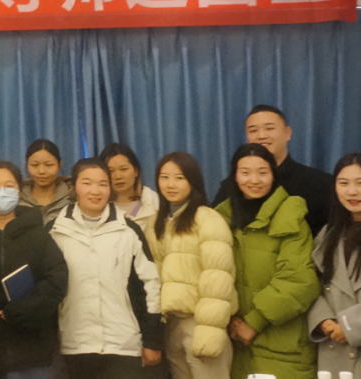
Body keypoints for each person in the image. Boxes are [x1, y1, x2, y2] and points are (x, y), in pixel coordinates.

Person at [48, 158, 163, 377]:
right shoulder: (55, 231)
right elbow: (46, 289)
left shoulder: (129, 230)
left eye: (103, 184)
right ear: (74, 187)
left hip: (124, 344)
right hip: (73, 345)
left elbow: (150, 286)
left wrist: (152, 339)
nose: (95, 190)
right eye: (87, 183)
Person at [214, 143, 319, 379]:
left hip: (282, 348)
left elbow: (299, 280)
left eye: (263, 172)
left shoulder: (290, 215)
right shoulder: (220, 218)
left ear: (273, 175)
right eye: (245, 172)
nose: (254, 180)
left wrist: (254, 322)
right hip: (234, 346)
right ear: (235, 176)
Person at [0, 160, 68, 379]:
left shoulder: (38, 235)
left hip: (32, 352)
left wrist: (20, 312)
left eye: (8, 185)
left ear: (19, 192)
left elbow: (56, 280)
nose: (1, 192)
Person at [146, 152, 237, 379]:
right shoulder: (155, 223)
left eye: (179, 178)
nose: (171, 184)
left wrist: (209, 335)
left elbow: (218, 281)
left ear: (193, 181)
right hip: (171, 325)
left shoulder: (208, 219)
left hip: (200, 324)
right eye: (164, 177)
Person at [212, 105, 333, 235]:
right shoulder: (232, 185)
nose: (261, 135)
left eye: (269, 128)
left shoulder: (320, 183)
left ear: (288, 133)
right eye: (253, 130)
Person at [308, 153, 361, 377]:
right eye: (343, 183)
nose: (352, 191)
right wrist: (324, 320)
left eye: (360, 183)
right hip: (334, 351)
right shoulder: (327, 234)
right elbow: (312, 284)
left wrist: (349, 327)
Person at [102, 143, 159, 235]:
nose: (118, 176)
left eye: (123, 169)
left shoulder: (155, 203)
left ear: (136, 171)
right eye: (110, 171)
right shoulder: (99, 206)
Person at [18, 139, 73, 224]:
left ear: (59, 166)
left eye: (49, 165)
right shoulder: (17, 198)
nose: (41, 171)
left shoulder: (73, 197)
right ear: (27, 166)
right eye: (34, 165)